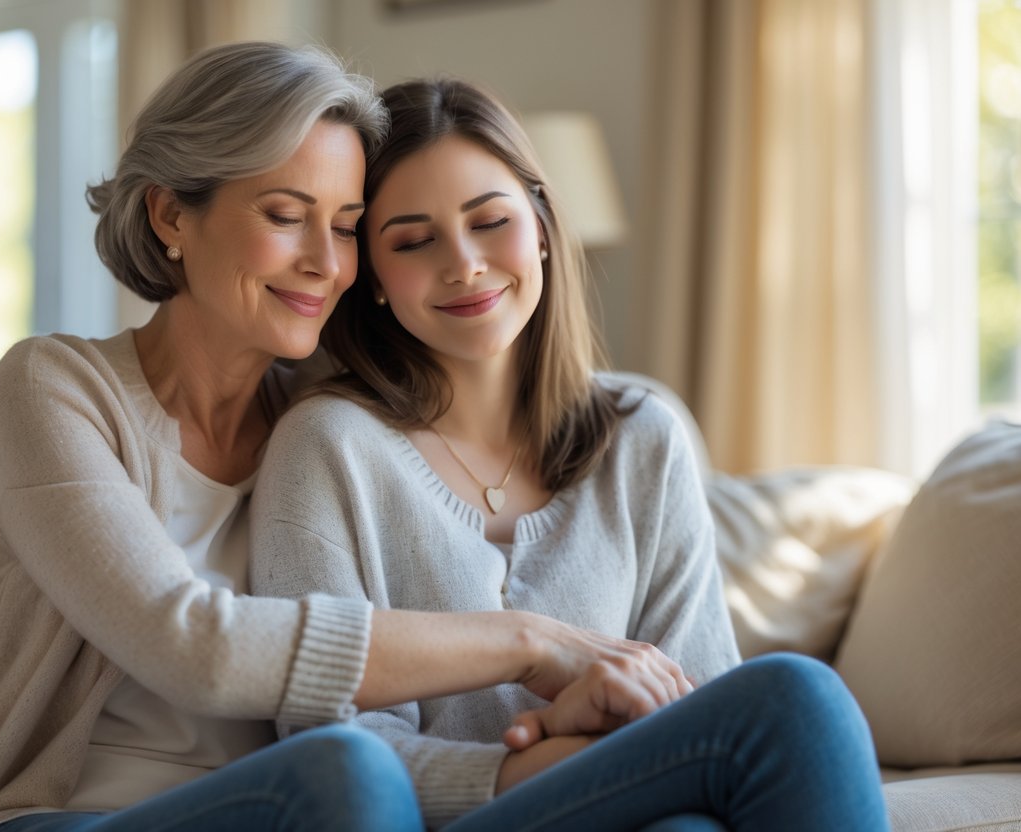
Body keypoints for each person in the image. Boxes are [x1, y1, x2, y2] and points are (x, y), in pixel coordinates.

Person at [0, 45, 678, 832]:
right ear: (171, 215)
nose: (324, 263)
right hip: (67, 815)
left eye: (346, 229)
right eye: (284, 217)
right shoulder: (54, 388)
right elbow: (190, 646)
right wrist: (527, 644)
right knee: (344, 773)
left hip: (295, 808)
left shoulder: (331, 424)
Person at [250, 77, 891, 831]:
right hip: (439, 820)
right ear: (377, 279)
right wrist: (536, 755)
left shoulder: (643, 435)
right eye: (414, 240)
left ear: (545, 229)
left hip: (632, 808)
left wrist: (593, 734)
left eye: (490, 222)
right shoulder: (327, 446)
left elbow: (695, 694)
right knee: (794, 694)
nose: (463, 264)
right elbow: (330, 749)